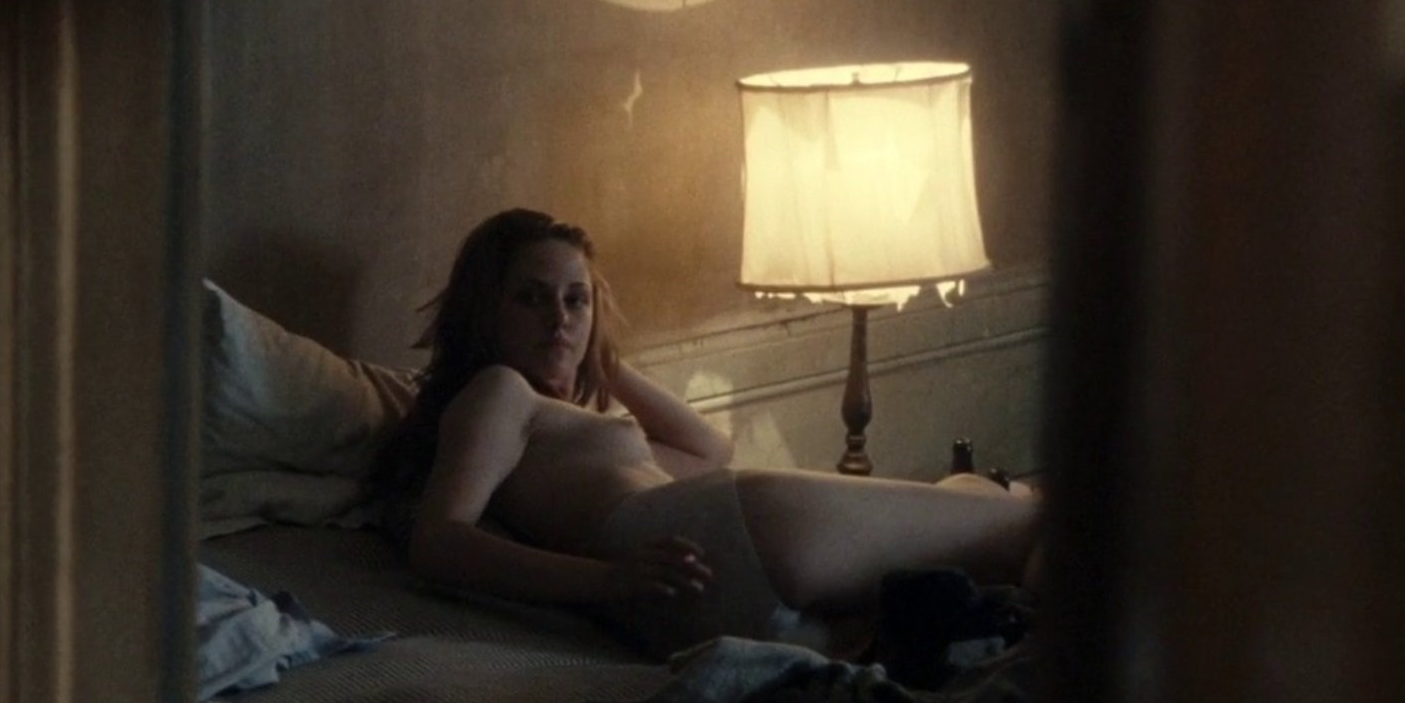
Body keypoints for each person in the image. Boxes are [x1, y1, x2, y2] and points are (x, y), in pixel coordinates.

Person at [374, 208, 1039, 659]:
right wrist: (607, 579)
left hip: (698, 588)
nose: (559, 318)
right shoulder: (498, 391)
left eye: (576, 299)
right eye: (531, 297)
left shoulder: (559, 424)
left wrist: (599, 356)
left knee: (983, 512)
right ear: (485, 310)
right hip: (700, 542)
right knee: (1024, 522)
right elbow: (440, 541)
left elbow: (706, 450)